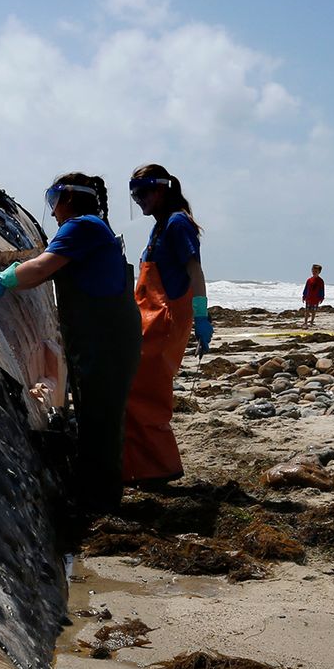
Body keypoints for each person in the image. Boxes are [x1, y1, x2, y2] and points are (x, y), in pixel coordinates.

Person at [0, 173, 142, 514]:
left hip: (105, 338)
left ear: (69, 199)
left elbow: (41, 268)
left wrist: (1, 280)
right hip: (100, 335)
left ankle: (100, 501)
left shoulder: (82, 227)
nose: (53, 210)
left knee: (100, 419)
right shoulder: (92, 228)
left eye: (53, 200)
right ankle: (97, 491)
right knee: (97, 415)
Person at [121, 163, 208, 487]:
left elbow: (195, 271)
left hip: (166, 320)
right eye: (134, 193)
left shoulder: (177, 223)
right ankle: (142, 467)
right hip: (149, 318)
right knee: (136, 390)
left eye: (143, 192)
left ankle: (158, 469)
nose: (138, 198)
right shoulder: (160, 226)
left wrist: (201, 316)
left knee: (146, 394)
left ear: (161, 190)